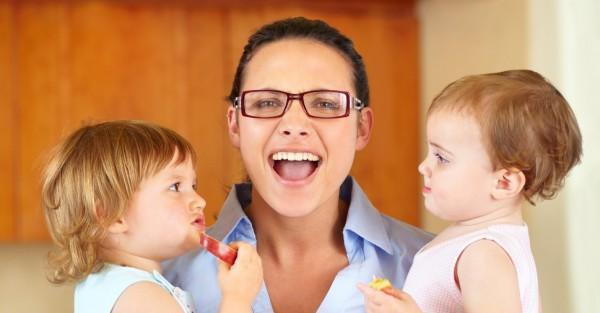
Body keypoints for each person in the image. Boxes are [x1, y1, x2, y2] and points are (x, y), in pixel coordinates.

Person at [163, 17, 431, 313]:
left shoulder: (437, 267)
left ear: (362, 128)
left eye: (325, 104)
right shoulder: (161, 275)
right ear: (235, 124)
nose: (293, 124)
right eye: (267, 102)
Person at [358, 69, 583, 313]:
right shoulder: (485, 244)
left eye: (442, 158)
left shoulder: (484, 255)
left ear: (504, 183)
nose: (423, 166)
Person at [42, 120, 263, 313]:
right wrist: (237, 299)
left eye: (193, 185)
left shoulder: (108, 285)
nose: (200, 201)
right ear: (112, 216)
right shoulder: (141, 297)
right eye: (176, 187)